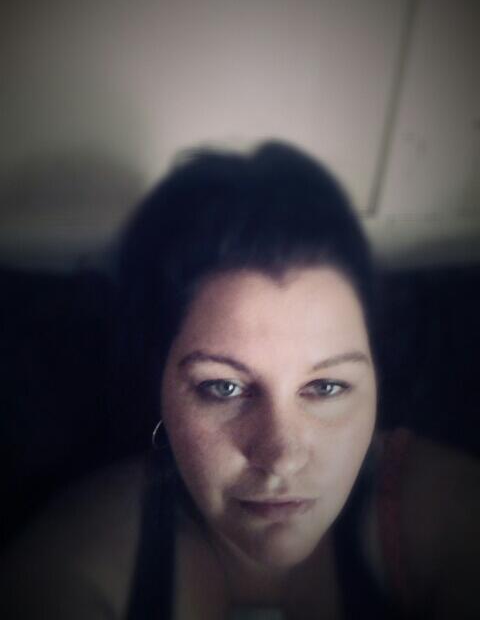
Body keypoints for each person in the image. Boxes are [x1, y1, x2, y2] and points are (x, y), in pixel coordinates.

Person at [1, 141, 478, 619]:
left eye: (326, 387)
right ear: (160, 383)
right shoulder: (72, 567)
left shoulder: (452, 517)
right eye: (223, 388)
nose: (282, 457)